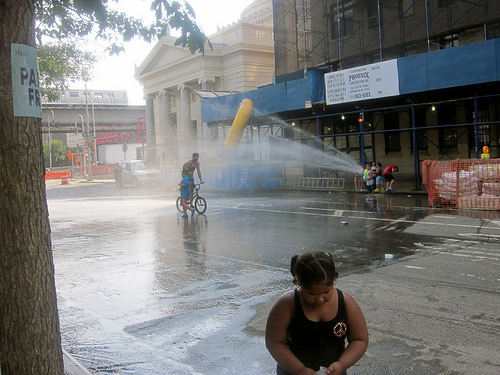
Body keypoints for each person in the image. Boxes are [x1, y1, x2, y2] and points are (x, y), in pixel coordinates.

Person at [266, 251, 368, 375]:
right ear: (300, 284)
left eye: (326, 292)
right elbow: (274, 342)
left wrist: (342, 364)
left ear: (334, 281)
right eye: (311, 293)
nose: (320, 299)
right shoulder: (287, 304)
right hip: (292, 371)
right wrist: (299, 369)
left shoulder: (346, 303)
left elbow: (359, 339)